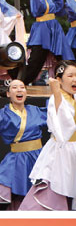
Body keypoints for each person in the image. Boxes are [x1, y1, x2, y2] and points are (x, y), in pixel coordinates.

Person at [0, 80, 48, 208]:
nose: (19, 90)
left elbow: (54, 113)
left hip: (38, 158)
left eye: (22, 87)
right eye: (14, 88)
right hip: (18, 159)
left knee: (37, 194)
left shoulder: (35, 110)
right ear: (8, 94)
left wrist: (59, 93)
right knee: (0, 190)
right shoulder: (4, 114)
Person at [21, 61, 76, 210]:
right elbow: (63, 128)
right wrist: (56, 92)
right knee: (52, 193)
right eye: (70, 75)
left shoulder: (73, 97)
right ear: (59, 80)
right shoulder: (56, 99)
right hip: (60, 152)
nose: (74, 79)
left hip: (73, 150)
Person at [23, 0, 72, 84]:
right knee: (36, 60)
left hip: (54, 29)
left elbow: (58, 8)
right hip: (42, 30)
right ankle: (21, 82)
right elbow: (39, 6)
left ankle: (69, 81)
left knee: (64, 57)